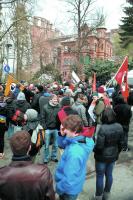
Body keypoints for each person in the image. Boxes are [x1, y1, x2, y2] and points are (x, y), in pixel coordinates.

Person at [0, 130, 55, 200]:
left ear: (11, 148)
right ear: (29, 148)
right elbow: (50, 197)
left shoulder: (2, 174)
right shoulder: (43, 172)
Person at [55, 115, 94, 200]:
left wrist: (59, 188)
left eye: (66, 129)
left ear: (75, 131)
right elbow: (63, 144)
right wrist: (61, 134)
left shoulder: (75, 153)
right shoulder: (79, 139)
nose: (64, 130)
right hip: (75, 183)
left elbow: (69, 179)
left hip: (68, 190)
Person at [94, 107, 124, 200]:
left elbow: (99, 146)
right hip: (113, 155)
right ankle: (106, 194)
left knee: (100, 176)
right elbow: (121, 143)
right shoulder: (119, 126)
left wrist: (95, 152)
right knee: (109, 174)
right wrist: (117, 153)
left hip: (102, 157)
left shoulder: (102, 128)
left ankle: (98, 196)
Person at [42, 94, 60, 164]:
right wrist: (45, 127)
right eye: (55, 99)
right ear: (50, 100)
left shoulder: (59, 107)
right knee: (46, 145)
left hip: (56, 128)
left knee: (55, 145)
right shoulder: (45, 107)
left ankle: (54, 157)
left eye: (57, 99)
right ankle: (46, 158)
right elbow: (42, 117)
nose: (56, 101)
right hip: (48, 129)